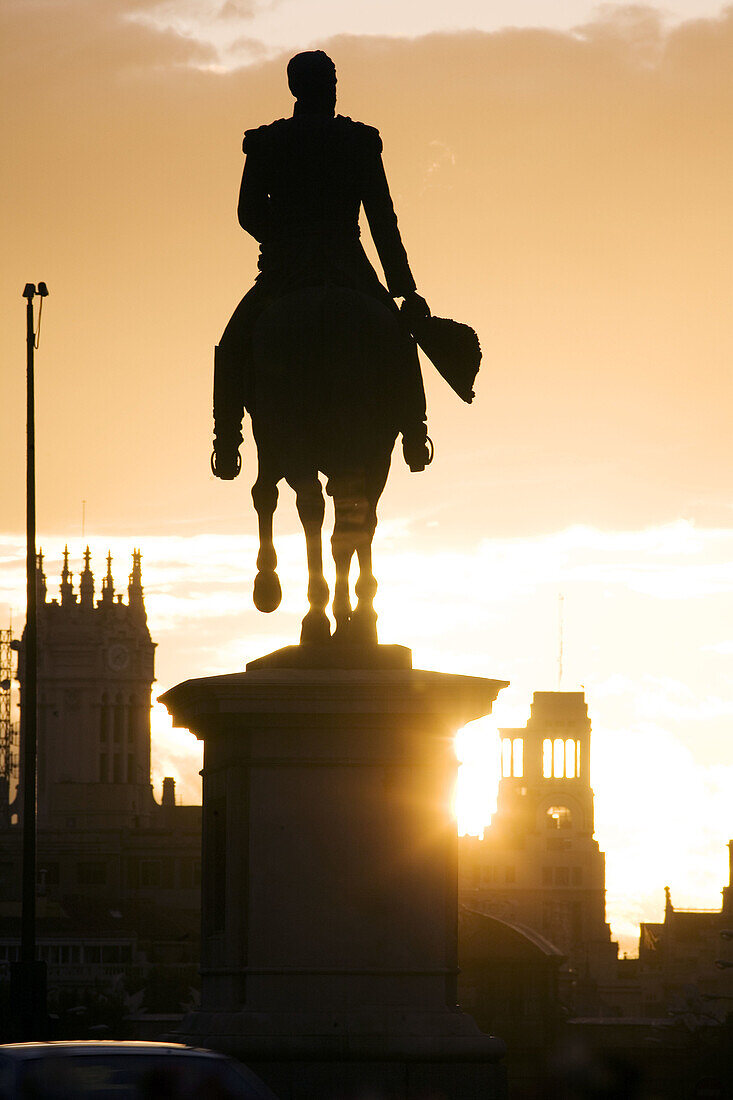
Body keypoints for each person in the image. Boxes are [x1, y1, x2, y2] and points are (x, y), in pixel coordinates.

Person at [213, 49, 433, 478]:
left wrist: (284, 237)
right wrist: (403, 288)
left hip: (285, 271)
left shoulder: (268, 142)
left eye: (333, 80)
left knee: (236, 341)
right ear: (304, 87)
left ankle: (226, 441)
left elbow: (249, 213)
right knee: (399, 341)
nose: (331, 89)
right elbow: (382, 221)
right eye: (327, 81)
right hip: (347, 265)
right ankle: (413, 432)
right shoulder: (359, 141)